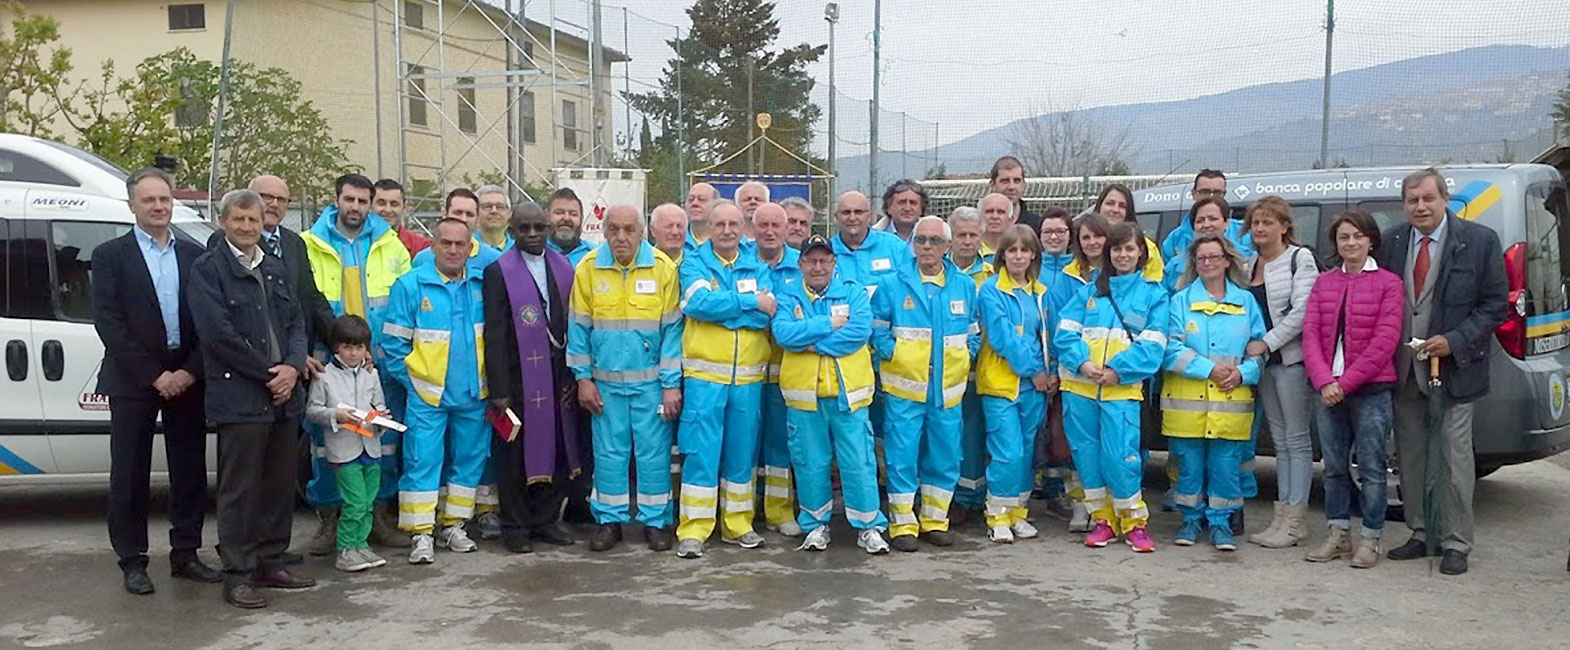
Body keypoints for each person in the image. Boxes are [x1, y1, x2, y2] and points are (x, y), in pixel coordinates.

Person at [93, 167, 219, 595]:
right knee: (129, 474)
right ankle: (133, 560)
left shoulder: (194, 255)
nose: (159, 206)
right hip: (133, 379)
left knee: (189, 469)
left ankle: (186, 553)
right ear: (132, 205)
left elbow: (208, 321)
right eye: (149, 200)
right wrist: (154, 375)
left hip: (186, 377)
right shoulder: (110, 256)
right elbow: (108, 323)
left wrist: (188, 371)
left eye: (164, 199)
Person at [1375, 168, 1507, 575]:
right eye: (1412, 200)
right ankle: (1421, 532)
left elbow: (1495, 305)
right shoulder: (1392, 243)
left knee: (1453, 458)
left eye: (1428, 198)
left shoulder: (1479, 242)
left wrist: (1455, 339)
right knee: (1411, 456)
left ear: (1445, 199)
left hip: (1455, 370)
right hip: (1404, 371)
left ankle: (1455, 541)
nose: (1421, 207)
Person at [188, 189, 315, 608]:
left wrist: (292, 367)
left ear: (263, 223)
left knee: (278, 485)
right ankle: (239, 574)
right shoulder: (208, 270)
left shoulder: (275, 267)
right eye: (238, 219)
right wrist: (270, 374)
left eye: (253, 220)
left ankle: (270, 562)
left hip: (284, 395)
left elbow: (296, 323)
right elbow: (218, 335)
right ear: (223, 221)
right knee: (239, 490)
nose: (246, 227)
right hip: (241, 396)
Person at [301, 173, 415, 555]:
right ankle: (330, 519)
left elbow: (404, 303)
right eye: (349, 199)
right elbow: (303, 304)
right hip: (328, 361)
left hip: (378, 362)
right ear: (336, 199)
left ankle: (377, 516)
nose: (356, 207)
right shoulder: (310, 244)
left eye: (363, 201)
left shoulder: (390, 244)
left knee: (382, 440)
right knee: (326, 443)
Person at [569, 205, 684, 552]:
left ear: (642, 232)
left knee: (654, 454)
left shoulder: (662, 268)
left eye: (629, 229)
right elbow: (578, 328)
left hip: (651, 386)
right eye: (614, 229)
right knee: (608, 454)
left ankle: (656, 522)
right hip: (604, 386)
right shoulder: (588, 268)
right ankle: (609, 521)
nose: (621, 237)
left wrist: (670, 384)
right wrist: (583, 379)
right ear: (604, 231)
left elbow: (673, 332)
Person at [381, 217, 491, 564]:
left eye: (460, 244)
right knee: (421, 462)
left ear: (470, 248)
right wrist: (415, 384)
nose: (453, 250)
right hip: (428, 397)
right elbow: (392, 346)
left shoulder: (482, 284)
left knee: (469, 462)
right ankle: (421, 533)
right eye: (446, 243)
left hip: (474, 395)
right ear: (433, 246)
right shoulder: (410, 285)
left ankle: (454, 525)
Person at [1055, 222, 1169, 553]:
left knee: (1121, 457)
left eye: (1129, 249)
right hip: (1080, 389)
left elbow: (1154, 345)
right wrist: (1082, 364)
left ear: (1141, 253)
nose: (1123, 255)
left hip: (1121, 391)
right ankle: (1102, 520)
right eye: (1117, 249)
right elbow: (1065, 332)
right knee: (1087, 458)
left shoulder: (1153, 294)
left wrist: (1118, 372)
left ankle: (1134, 523)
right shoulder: (1089, 292)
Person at [772, 235, 890, 554]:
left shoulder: (853, 292)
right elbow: (783, 334)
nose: (818, 267)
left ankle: (869, 526)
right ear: (800, 264)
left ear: (834, 263)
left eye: (824, 260)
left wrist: (811, 344)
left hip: (848, 395)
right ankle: (815, 525)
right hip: (804, 398)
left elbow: (858, 333)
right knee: (810, 463)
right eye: (811, 260)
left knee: (859, 462)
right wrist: (828, 323)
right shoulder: (788, 295)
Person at [1302, 210, 1404, 569]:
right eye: (1344, 237)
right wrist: (1323, 380)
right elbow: (1310, 334)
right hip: (1327, 389)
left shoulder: (1389, 283)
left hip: (1370, 390)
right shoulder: (1324, 283)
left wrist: (1343, 384)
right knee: (1333, 468)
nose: (1351, 243)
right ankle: (1338, 534)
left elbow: (1385, 341)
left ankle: (1370, 538)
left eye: (1358, 236)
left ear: (1371, 240)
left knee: (1372, 468)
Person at [673, 200, 774, 558]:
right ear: (709, 228)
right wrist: (748, 302)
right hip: (704, 379)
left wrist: (725, 308)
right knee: (701, 453)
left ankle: (738, 525)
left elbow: (765, 316)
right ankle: (694, 529)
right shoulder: (694, 262)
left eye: (734, 224)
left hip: (747, 380)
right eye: (720, 224)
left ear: (743, 228)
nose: (728, 231)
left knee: (741, 455)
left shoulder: (757, 265)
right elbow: (698, 304)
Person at [870, 216, 978, 551]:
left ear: (948, 246)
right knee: (901, 455)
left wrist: (965, 357)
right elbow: (876, 329)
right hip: (905, 388)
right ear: (912, 245)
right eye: (921, 240)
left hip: (947, 389)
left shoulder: (964, 285)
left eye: (935, 241)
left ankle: (934, 520)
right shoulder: (892, 284)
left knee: (945, 454)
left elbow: (973, 332)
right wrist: (893, 354)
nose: (927, 247)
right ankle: (902, 524)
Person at [483, 202, 583, 554]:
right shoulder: (499, 271)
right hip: (517, 377)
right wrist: (499, 389)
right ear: (512, 231)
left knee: (558, 448)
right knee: (515, 455)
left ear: (548, 229)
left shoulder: (563, 266)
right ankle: (515, 525)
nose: (532, 234)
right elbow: (494, 334)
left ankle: (545, 518)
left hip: (557, 373)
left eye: (539, 227)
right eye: (524, 228)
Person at [1162, 235, 1266, 551]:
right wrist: (1208, 369)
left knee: (1226, 468)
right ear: (1194, 263)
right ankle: (1190, 520)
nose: (1208, 263)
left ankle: (1221, 524)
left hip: (1230, 403)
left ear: (1226, 261)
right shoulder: (1180, 301)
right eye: (1201, 258)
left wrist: (1243, 373)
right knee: (1189, 468)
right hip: (1187, 408)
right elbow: (1169, 348)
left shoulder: (1245, 302)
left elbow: (1258, 350)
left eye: (1214, 257)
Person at [1241, 196, 1321, 549]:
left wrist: (1267, 343)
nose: (1260, 228)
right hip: (1264, 366)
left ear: (1285, 226)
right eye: (1256, 223)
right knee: (1280, 441)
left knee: (1297, 440)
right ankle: (1282, 516)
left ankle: (1295, 520)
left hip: (1290, 361)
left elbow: (1303, 311)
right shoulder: (1249, 264)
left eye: (1268, 222)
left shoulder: (1299, 259)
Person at [976, 225, 1053, 543]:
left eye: (1025, 250)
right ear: (1002, 255)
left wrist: (1051, 372)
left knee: (1025, 452)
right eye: (1012, 250)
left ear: (1034, 255)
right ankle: (997, 515)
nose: (1018, 256)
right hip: (1001, 385)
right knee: (1007, 452)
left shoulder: (1041, 293)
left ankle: (1018, 513)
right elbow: (1003, 337)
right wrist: (1034, 370)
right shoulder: (991, 290)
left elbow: (1048, 338)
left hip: (1035, 388)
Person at [303, 315, 391, 573]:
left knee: (368, 502)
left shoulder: (371, 374)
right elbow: (313, 411)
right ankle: (345, 549)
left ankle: (360, 544)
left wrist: (382, 419)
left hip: (370, 447)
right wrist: (336, 415)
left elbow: (379, 405)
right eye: (347, 347)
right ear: (336, 348)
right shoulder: (324, 376)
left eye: (359, 347)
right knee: (355, 502)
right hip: (344, 450)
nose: (353, 353)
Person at [1048, 213, 1109, 533]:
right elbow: (1058, 326)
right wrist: (1070, 364)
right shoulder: (1066, 279)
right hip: (1074, 374)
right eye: (1085, 237)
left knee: (1109, 444)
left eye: (1098, 236)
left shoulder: (1120, 275)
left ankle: (1105, 508)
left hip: (1111, 375)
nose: (1092, 242)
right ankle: (1079, 504)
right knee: (1075, 445)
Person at [753, 203, 801, 536]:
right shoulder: (742, 262)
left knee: (781, 444)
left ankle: (780, 512)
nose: (770, 232)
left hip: (786, 372)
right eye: (763, 225)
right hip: (746, 371)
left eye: (776, 225)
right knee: (744, 446)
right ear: (752, 228)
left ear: (786, 230)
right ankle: (744, 510)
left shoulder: (801, 264)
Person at [1032, 208, 1078, 522]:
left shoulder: (1078, 273)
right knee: (1035, 432)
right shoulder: (1031, 269)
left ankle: (1057, 491)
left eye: (1060, 231)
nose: (1053, 236)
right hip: (1034, 367)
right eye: (1047, 231)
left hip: (1066, 366)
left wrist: (1061, 367)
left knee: (1062, 434)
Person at [947, 206, 991, 523]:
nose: (966, 241)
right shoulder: (938, 270)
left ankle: (972, 497)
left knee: (974, 437)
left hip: (980, 369)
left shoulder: (992, 273)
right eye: (960, 234)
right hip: (943, 372)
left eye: (973, 235)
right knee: (946, 438)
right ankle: (951, 498)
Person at [1159, 169, 1254, 261]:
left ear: (1224, 194)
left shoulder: (1245, 232)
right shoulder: (1174, 239)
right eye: (1205, 192)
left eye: (1217, 192)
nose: (1211, 196)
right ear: (1193, 194)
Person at [414, 188, 505, 276]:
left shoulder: (495, 260)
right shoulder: (423, 259)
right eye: (458, 213)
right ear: (445, 214)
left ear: (477, 219)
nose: (463, 219)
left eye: (469, 214)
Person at [830, 190, 909, 291]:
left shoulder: (895, 247)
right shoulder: (826, 252)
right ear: (836, 217)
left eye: (858, 212)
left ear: (869, 216)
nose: (852, 218)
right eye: (846, 212)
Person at [1093, 184, 1164, 281]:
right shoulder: (1085, 242)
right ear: (1099, 206)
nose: (1115, 210)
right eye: (1110, 203)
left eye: (1122, 206)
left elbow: (1154, 284)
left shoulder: (1149, 248)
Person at [1162, 197, 1233, 293]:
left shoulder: (1243, 260)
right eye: (1200, 221)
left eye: (1213, 219)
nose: (1206, 225)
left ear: (1226, 223)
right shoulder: (1174, 267)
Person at [373, 178, 429, 255]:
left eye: (394, 204)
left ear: (405, 207)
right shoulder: (358, 242)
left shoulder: (420, 247)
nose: (388, 210)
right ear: (370, 205)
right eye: (381, 203)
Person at [990, 156, 1040, 233]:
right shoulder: (979, 225)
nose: (1012, 187)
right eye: (1005, 181)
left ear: (1023, 185)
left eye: (1017, 181)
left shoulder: (1037, 225)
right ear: (993, 185)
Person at [546, 188, 594, 264]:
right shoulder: (537, 252)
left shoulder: (594, 254)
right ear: (547, 216)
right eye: (559, 212)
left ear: (581, 219)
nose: (566, 218)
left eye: (573, 214)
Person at [475, 184, 513, 251]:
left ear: (509, 213)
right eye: (487, 206)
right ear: (475, 212)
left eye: (500, 207)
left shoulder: (519, 249)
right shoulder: (466, 247)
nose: (494, 211)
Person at [978, 193, 1016, 258]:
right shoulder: (970, 249)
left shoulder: (1020, 251)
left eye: (1001, 212)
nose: (995, 216)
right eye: (989, 211)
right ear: (979, 217)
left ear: (1011, 220)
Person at [686, 182, 720, 253]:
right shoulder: (676, 239)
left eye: (701, 199)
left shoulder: (729, 241)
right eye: (691, 199)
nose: (694, 203)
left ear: (716, 205)